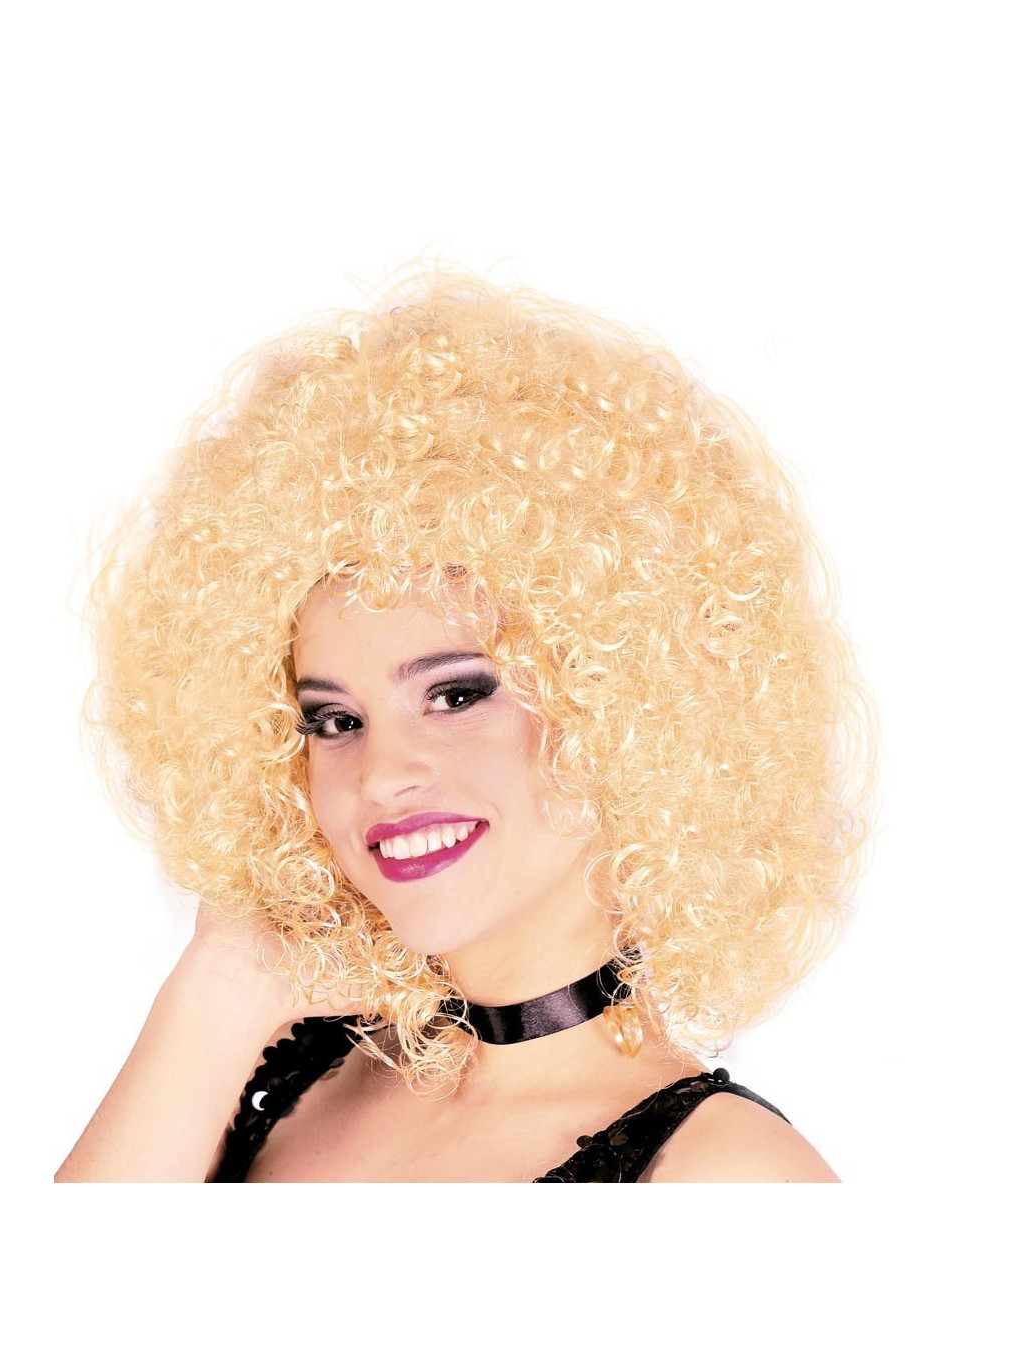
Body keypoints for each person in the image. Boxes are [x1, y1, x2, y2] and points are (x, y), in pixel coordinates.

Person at [56, 261, 875, 1183]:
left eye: (454, 696)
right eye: (334, 719)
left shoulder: (726, 1174)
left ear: (624, 708)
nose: (382, 774)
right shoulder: (287, 1076)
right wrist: (224, 984)